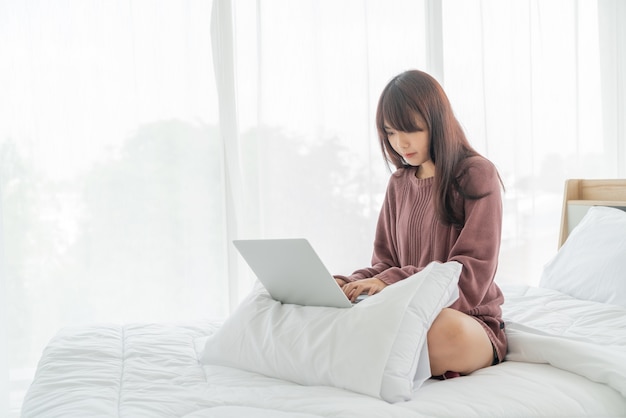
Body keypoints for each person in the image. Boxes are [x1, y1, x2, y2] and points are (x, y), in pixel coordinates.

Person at [334, 69, 506, 378]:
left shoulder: (477, 174)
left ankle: (351, 362)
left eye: (410, 129)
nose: (400, 142)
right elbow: (385, 263)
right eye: (389, 132)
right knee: (323, 315)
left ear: (436, 120)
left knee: (442, 331)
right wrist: (348, 283)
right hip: (403, 313)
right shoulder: (399, 183)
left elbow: (471, 274)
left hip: (466, 318)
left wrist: (391, 282)